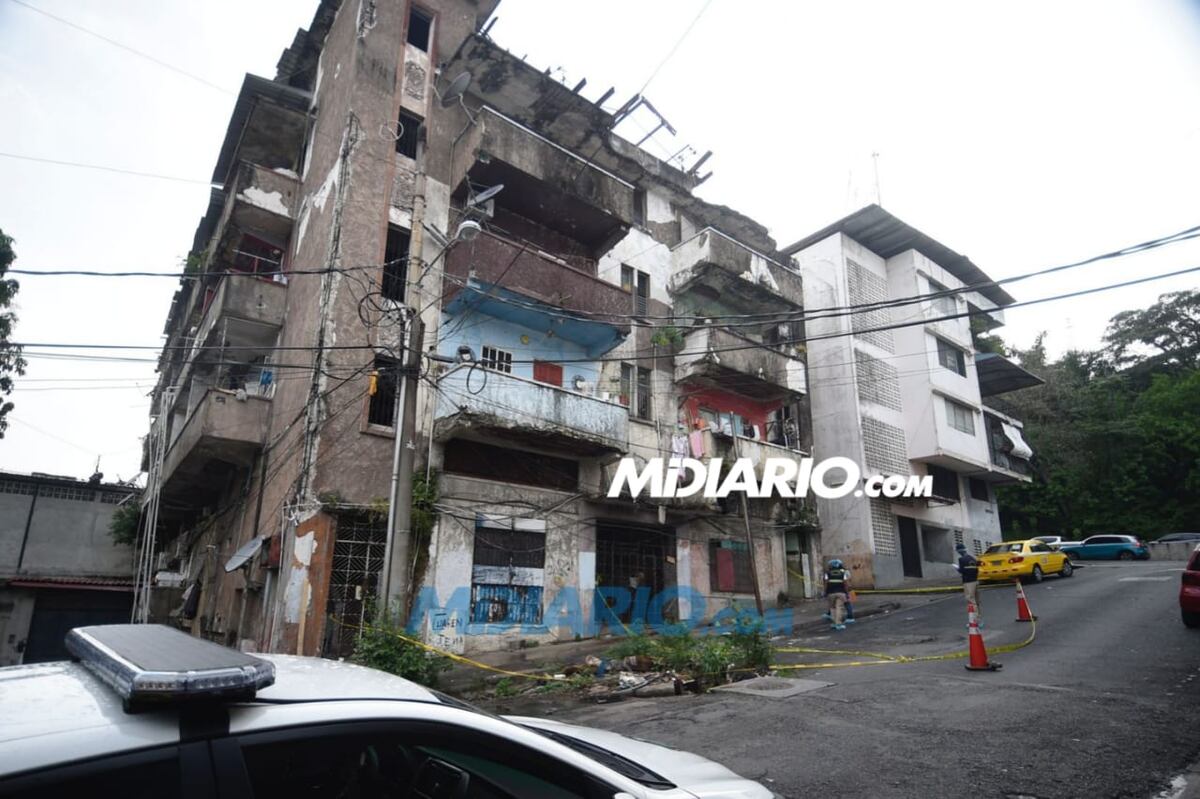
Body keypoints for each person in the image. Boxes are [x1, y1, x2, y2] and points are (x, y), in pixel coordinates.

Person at [955, 543, 981, 620]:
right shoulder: (972, 558)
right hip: (975, 581)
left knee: (971, 601)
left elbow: (962, 571)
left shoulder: (961, 560)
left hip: (968, 582)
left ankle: (975, 620)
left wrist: (957, 569)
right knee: (976, 601)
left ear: (959, 551)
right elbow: (977, 570)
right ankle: (979, 618)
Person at [824, 558, 851, 631]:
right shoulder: (843, 573)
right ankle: (838, 623)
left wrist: (825, 592)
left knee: (832, 608)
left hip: (830, 593)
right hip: (841, 592)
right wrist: (847, 593)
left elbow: (826, 583)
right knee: (839, 607)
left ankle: (833, 623)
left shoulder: (828, 573)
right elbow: (845, 584)